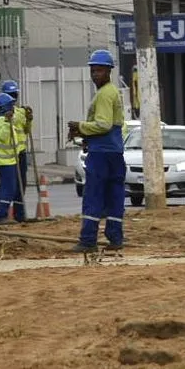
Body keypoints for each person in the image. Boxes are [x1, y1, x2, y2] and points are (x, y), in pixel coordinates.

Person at [68, 49, 126, 252]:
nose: (95, 75)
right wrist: (88, 138)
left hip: (101, 155)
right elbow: (116, 126)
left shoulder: (103, 95)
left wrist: (80, 126)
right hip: (115, 153)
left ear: (109, 71)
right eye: (93, 71)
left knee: (93, 195)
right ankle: (115, 238)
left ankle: (88, 240)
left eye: (99, 71)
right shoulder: (113, 93)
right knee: (114, 197)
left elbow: (103, 124)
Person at [1, 78, 33, 215]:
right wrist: (6, 117)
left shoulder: (20, 112)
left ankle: (20, 213)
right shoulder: (0, 113)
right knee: (10, 184)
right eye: (10, 95)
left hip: (20, 152)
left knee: (22, 183)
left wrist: (29, 119)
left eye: (15, 95)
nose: (13, 98)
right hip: (7, 154)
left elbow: (27, 130)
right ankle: (2, 213)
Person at [0, 94, 24, 224]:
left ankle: (0, 213)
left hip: (9, 159)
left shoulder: (4, 119)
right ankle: (1, 215)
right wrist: (7, 122)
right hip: (5, 160)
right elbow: (4, 136)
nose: (12, 107)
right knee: (9, 188)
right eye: (10, 105)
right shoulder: (1, 120)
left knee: (7, 187)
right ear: (4, 107)